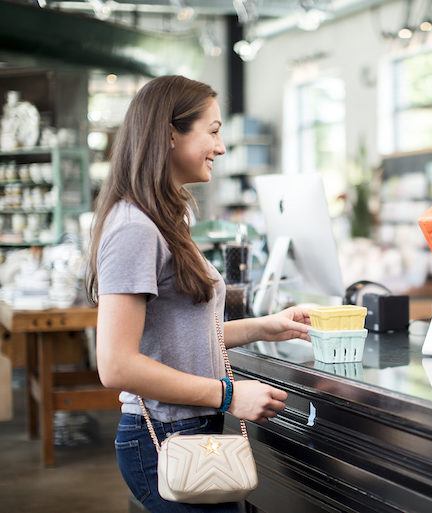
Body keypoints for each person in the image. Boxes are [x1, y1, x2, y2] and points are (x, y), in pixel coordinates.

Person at [86, 75, 313, 513]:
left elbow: (177, 339)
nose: (222, 147)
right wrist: (228, 394)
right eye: (212, 131)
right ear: (170, 134)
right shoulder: (135, 228)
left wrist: (268, 326)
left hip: (190, 431)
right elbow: (115, 365)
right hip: (165, 438)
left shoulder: (164, 219)